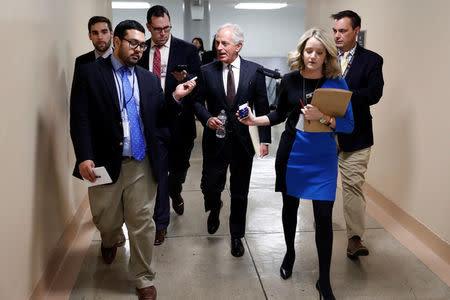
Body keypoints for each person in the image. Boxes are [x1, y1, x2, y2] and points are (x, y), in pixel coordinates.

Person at [70, 20, 196, 300]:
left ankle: (142, 276)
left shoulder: (148, 79)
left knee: (142, 222)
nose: (139, 49)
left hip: (141, 161)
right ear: (116, 41)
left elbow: (158, 117)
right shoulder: (90, 74)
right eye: (133, 43)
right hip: (105, 162)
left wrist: (175, 97)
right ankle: (110, 236)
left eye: (142, 44)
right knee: (106, 219)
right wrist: (84, 157)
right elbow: (80, 118)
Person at [238, 28, 354, 299]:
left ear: (327, 56)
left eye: (319, 52)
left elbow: (348, 125)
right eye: (308, 50)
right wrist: (255, 121)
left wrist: (323, 117)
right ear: (301, 51)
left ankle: (324, 280)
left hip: (322, 157)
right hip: (292, 154)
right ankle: (289, 253)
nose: (312, 56)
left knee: (323, 218)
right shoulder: (289, 80)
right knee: (289, 209)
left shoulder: (337, 83)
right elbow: (278, 113)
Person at [193, 23, 271, 257]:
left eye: (224, 43)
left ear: (238, 46)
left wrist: (264, 141)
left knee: (239, 192)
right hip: (214, 141)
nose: (218, 47)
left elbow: (263, 107)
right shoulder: (206, 71)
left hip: (242, 143)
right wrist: (206, 118)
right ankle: (214, 206)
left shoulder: (254, 72)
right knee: (209, 186)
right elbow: (196, 102)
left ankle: (237, 235)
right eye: (217, 42)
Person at [138, 5, 201, 245]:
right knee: (159, 175)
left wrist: (186, 82)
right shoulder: (141, 52)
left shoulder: (186, 50)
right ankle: (161, 223)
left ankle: (177, 191)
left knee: (178, 171)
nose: (163, 34)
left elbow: (199, 82)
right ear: (148, 28)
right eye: (157, 29)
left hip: (180, 122)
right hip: (153, 123)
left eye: (166, 28)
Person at [331, 10, 384, 259]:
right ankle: (322, 223)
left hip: (357, 135)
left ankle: (354, 238)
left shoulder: (372, 60)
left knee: (352, 185)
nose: (337, 35)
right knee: (323, 183)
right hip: (326, 133)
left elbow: (373, 93)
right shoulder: (326, 58)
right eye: (335, 31)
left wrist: (344, 98)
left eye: (342, 31)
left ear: (356, 31)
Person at [73, 16, 113, 85]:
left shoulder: (122, 59)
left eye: (104, 32)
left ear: (111, 34)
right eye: (95, 33)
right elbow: (77, 92)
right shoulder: (81, 61)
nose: (100, 37)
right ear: (90, 36)